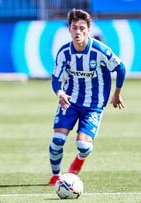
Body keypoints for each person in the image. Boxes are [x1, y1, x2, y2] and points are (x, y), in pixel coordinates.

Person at [48, 9, 126, 186]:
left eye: (82, 28)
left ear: (88, 29)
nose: (78, 32)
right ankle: (56, 176)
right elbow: (56, 79)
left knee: (83, 146)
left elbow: (120, 68)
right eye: (74, 28)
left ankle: (79, 161)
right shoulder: (64, 53)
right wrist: (59, 92)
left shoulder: (100, 51)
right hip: (70, 100)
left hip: (94, 104)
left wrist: (117, 93)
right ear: (69, 29)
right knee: (57, 141)